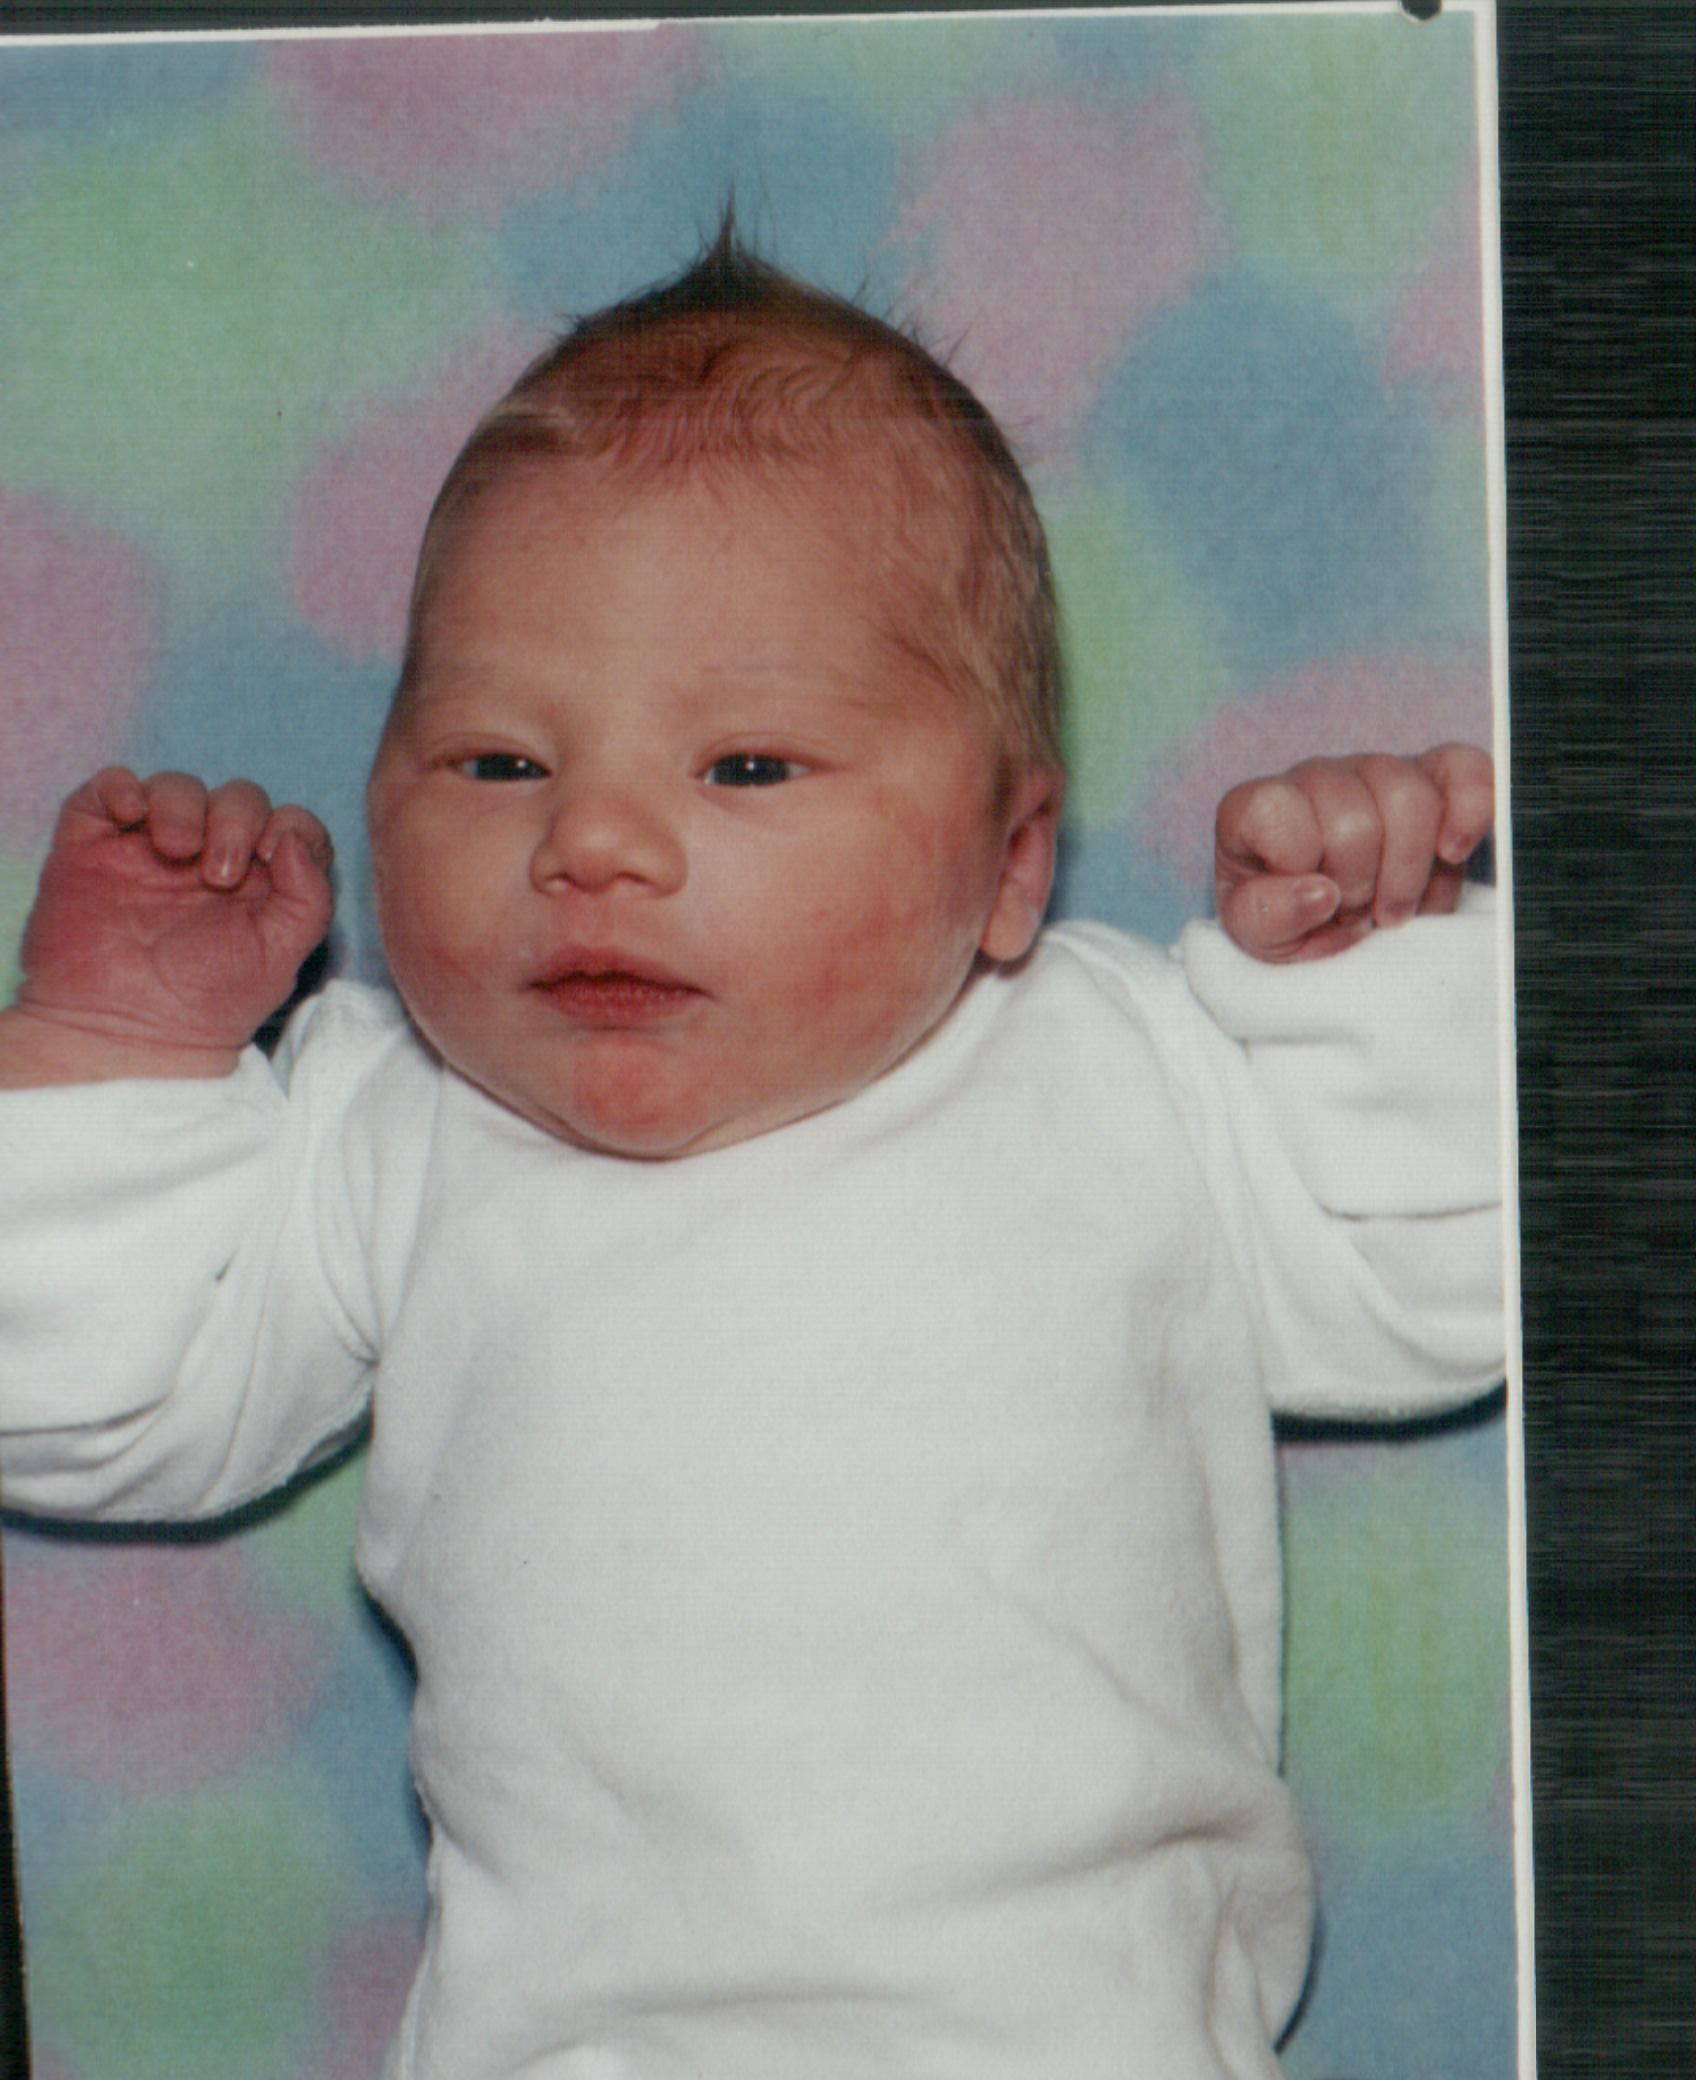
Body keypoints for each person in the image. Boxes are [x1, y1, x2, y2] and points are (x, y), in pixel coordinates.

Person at [0, 233, 1503, 2079]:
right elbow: (86, 1398)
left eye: (747, 768)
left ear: (1012, 863)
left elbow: (1444, 1277)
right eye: (496, 764)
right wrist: (113, 1044)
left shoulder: (1133, 1065)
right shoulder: (396, 1120)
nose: (594, 841)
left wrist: (1369, 969)